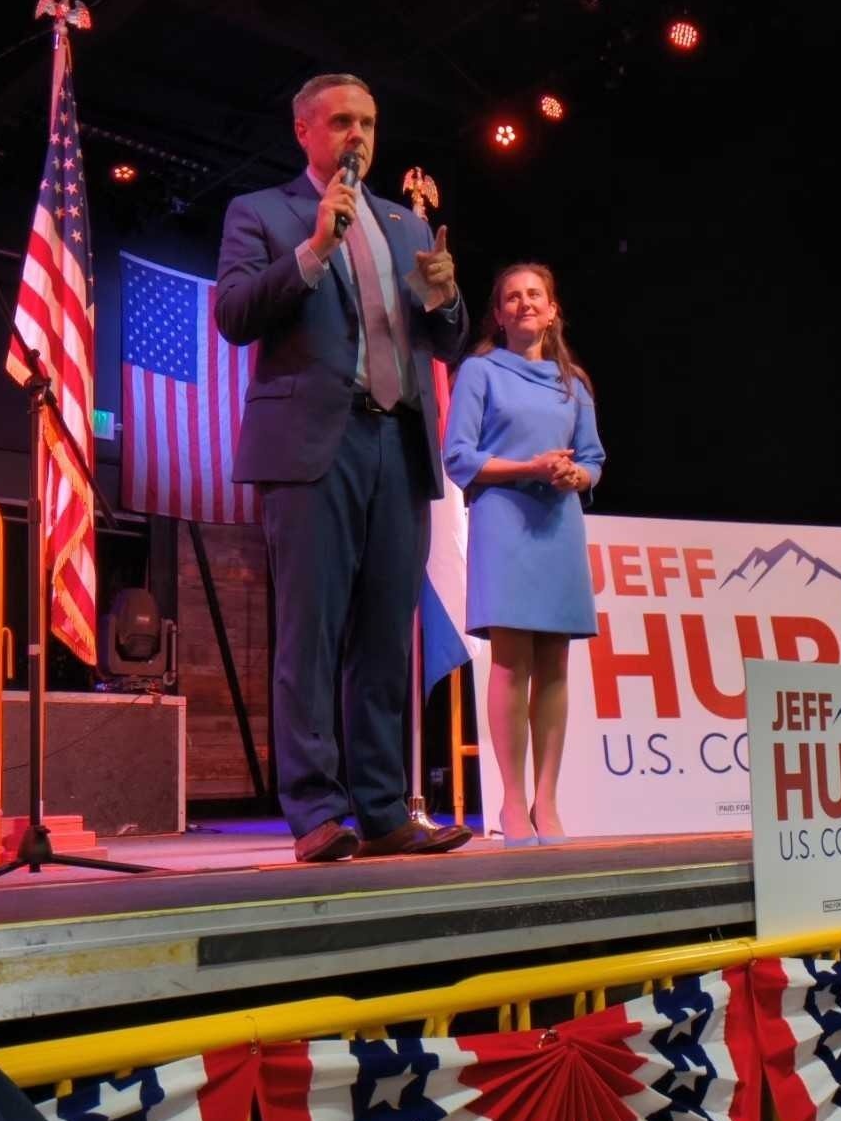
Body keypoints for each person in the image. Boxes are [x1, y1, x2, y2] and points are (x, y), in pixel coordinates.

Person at [213, 73, 474, 863]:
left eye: (367, 122)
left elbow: (446, 339)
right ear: (305, 130)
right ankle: (319, 812)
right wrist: (316, 246)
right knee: (311, 632)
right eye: (341, 122)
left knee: (386, 636)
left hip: (396, 444)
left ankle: (386, 807)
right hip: (311, 447)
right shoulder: (262, 213)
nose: (357, 136)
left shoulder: (403, 221)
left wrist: (448, 295)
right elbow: (232, 314)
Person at [442, 264, 604, 847]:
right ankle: (513, 802)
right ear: (500, 314)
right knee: (512, 662)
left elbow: (594, 460)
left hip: (558, 524)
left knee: (555, 666)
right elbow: (458, 457)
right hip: (503, 520)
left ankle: (548, 801)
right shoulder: (480, 372)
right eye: (512, 297)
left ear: (552, 309)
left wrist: (572, 474)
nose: (524, 303)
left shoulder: (573, 383)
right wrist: (530, 467)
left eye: (535, 294)